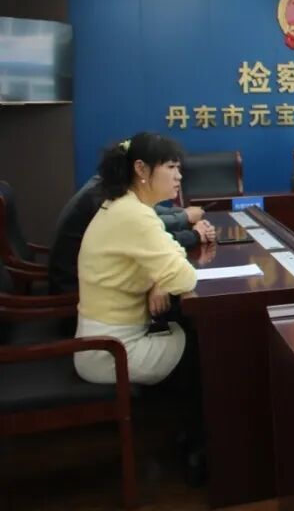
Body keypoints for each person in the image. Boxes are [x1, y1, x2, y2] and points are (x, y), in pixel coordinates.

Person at [74, 133, 198, 386]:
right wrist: (165, 278)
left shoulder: (125, 205)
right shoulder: (134, 215)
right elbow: (185, 278)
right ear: (141, 168)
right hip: (111, 352)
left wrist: (160, 281)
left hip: (104, 342)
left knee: (195, 333)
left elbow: (174, 251)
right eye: (171, 167)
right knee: (208, 343)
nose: (179, 176)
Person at [48, 175, 215, 294]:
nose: (177, 175)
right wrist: (194, 234)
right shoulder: (106, 198)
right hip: (75, 288)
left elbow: (150, 216)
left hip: (87, 277)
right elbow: (150, 235)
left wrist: (183, 215)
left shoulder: (106, 186)